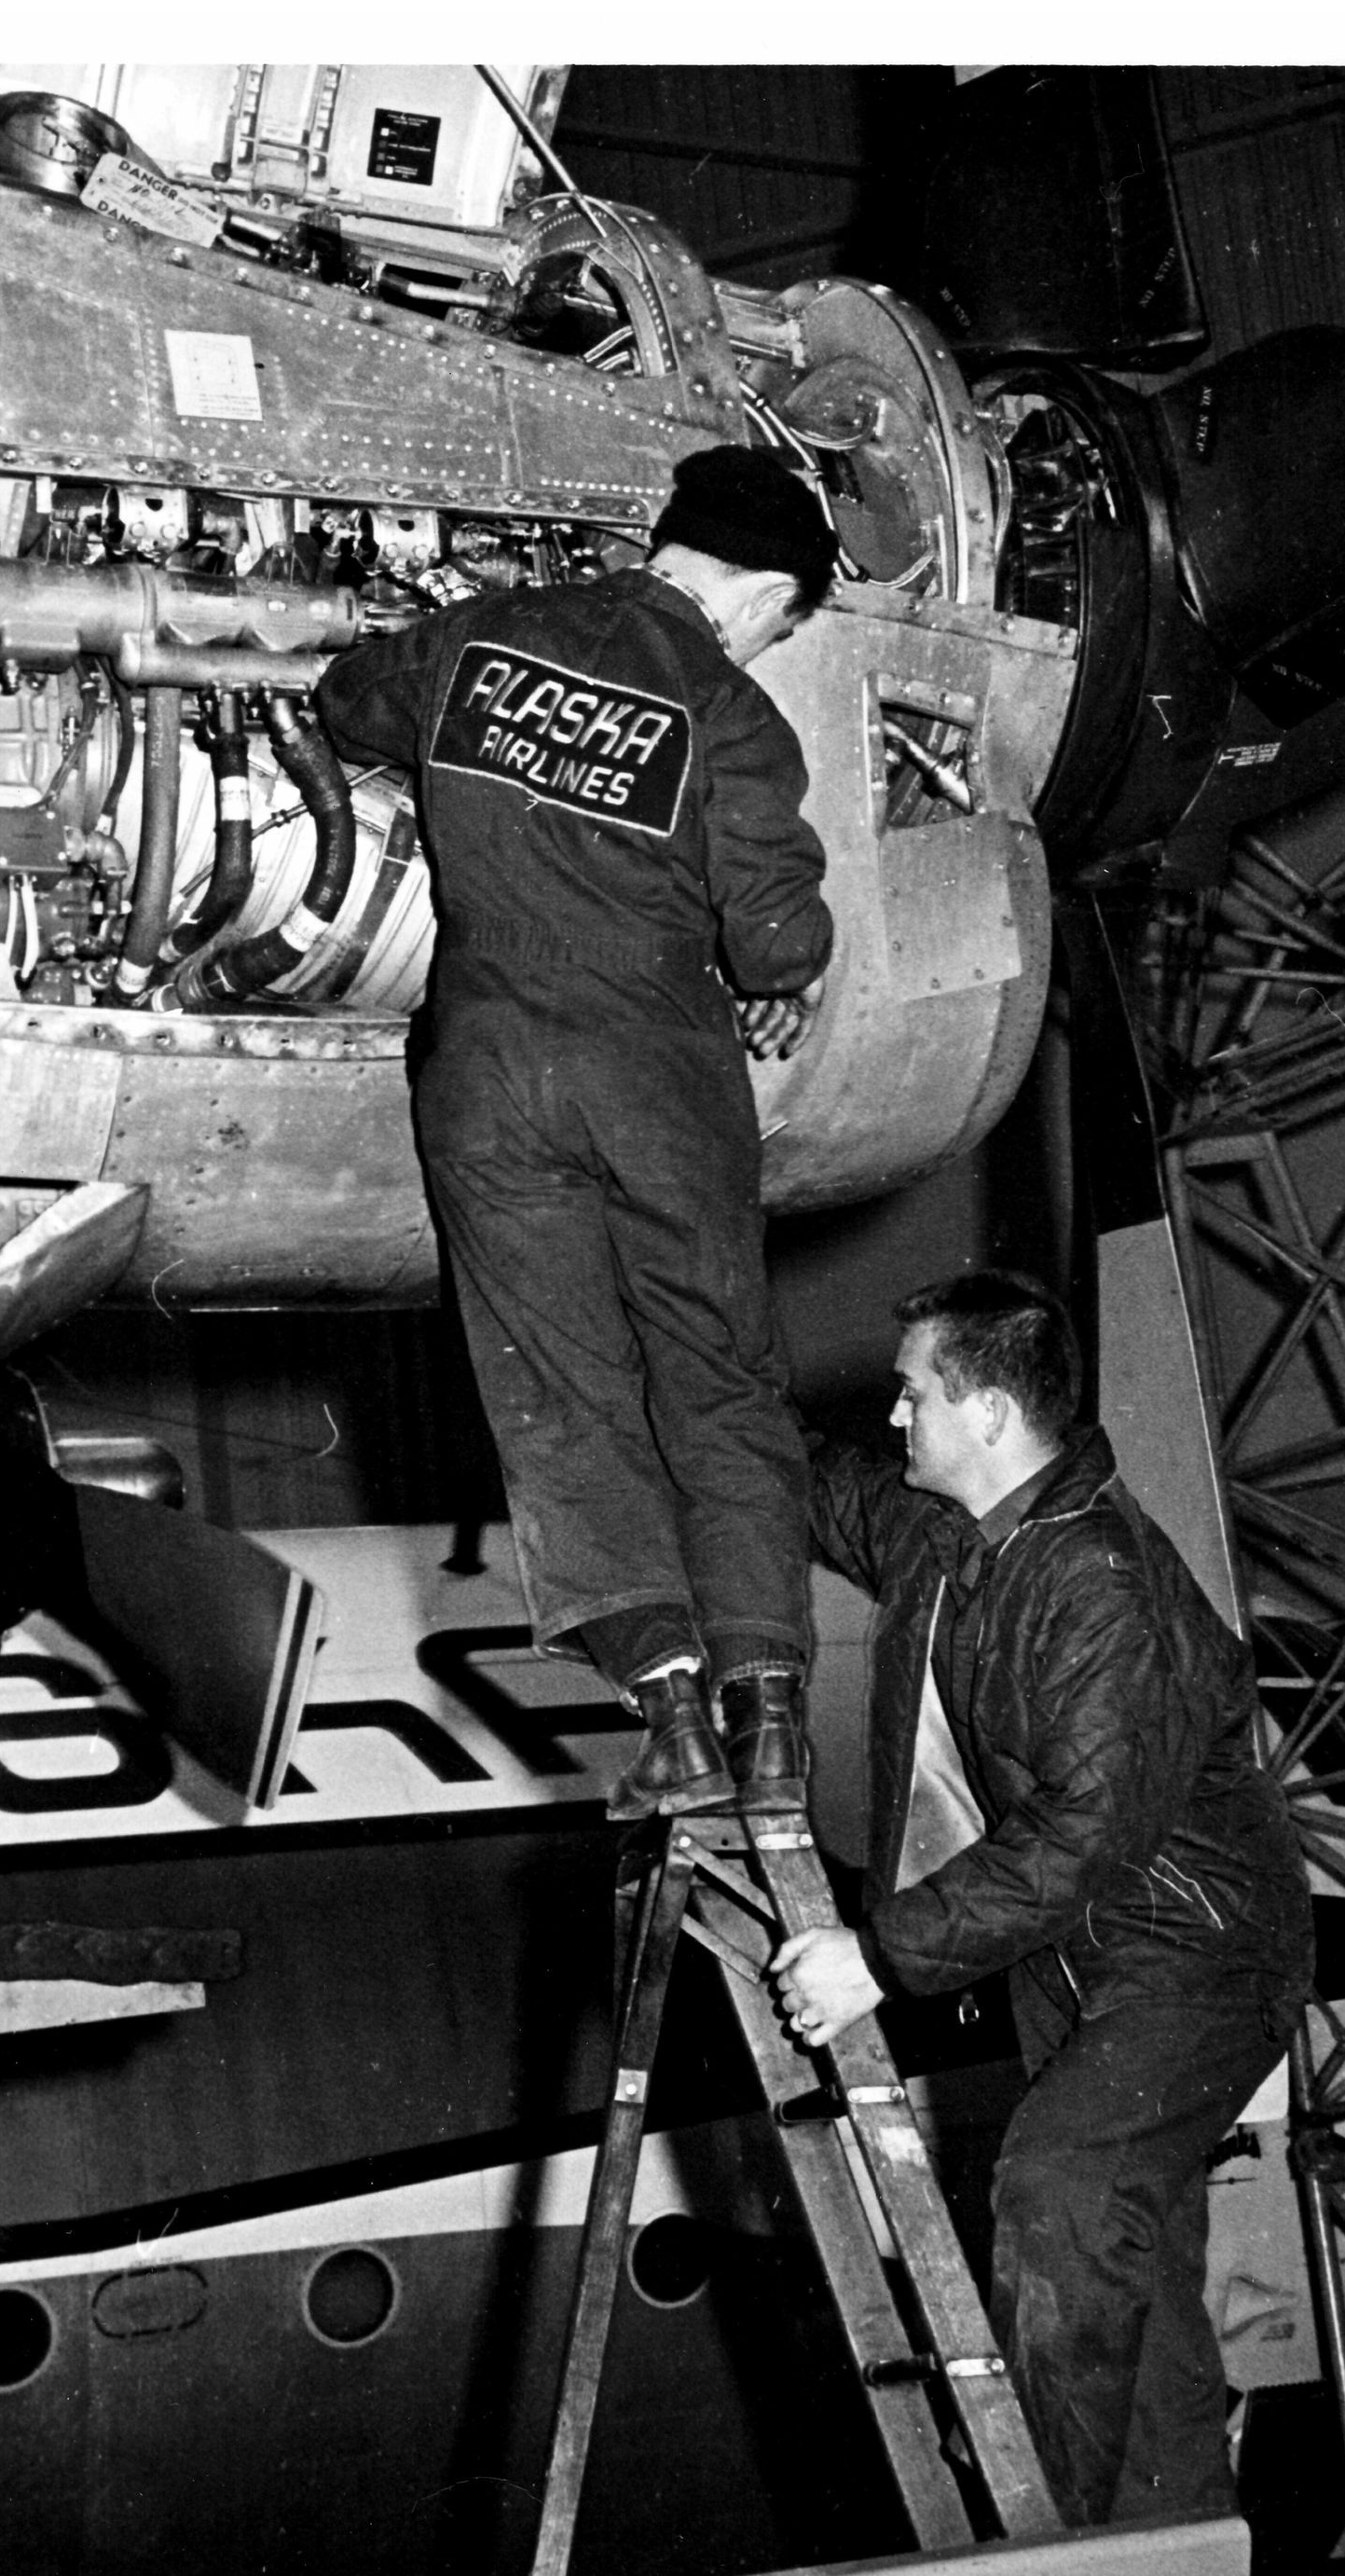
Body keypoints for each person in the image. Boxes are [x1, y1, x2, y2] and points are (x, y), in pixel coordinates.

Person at [314, 446, 840, 1820]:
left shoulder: (476, 639)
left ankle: (667, 1710)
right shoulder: (728, 708)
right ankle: (767, 1713)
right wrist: (787, 977)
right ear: (763, 597)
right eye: (784, 627)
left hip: (487, 1072)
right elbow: (775, 934)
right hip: (657, 1076)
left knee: (558, 1389)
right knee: (716, 1378)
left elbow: (346, 698)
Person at [771, 1271, 1315, 2528]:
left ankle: (1048, 2539)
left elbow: (1087, 1836)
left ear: (991, 1413)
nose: (894, 1416)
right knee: (1140, 2290)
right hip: (1075, 1968)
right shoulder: (953, 1536)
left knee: (1060, 2192)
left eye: (914, 1395)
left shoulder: (1102, 1585)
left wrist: (877, 1957)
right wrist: (691, 1382)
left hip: (1198, 1961)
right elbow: (822, 1485)